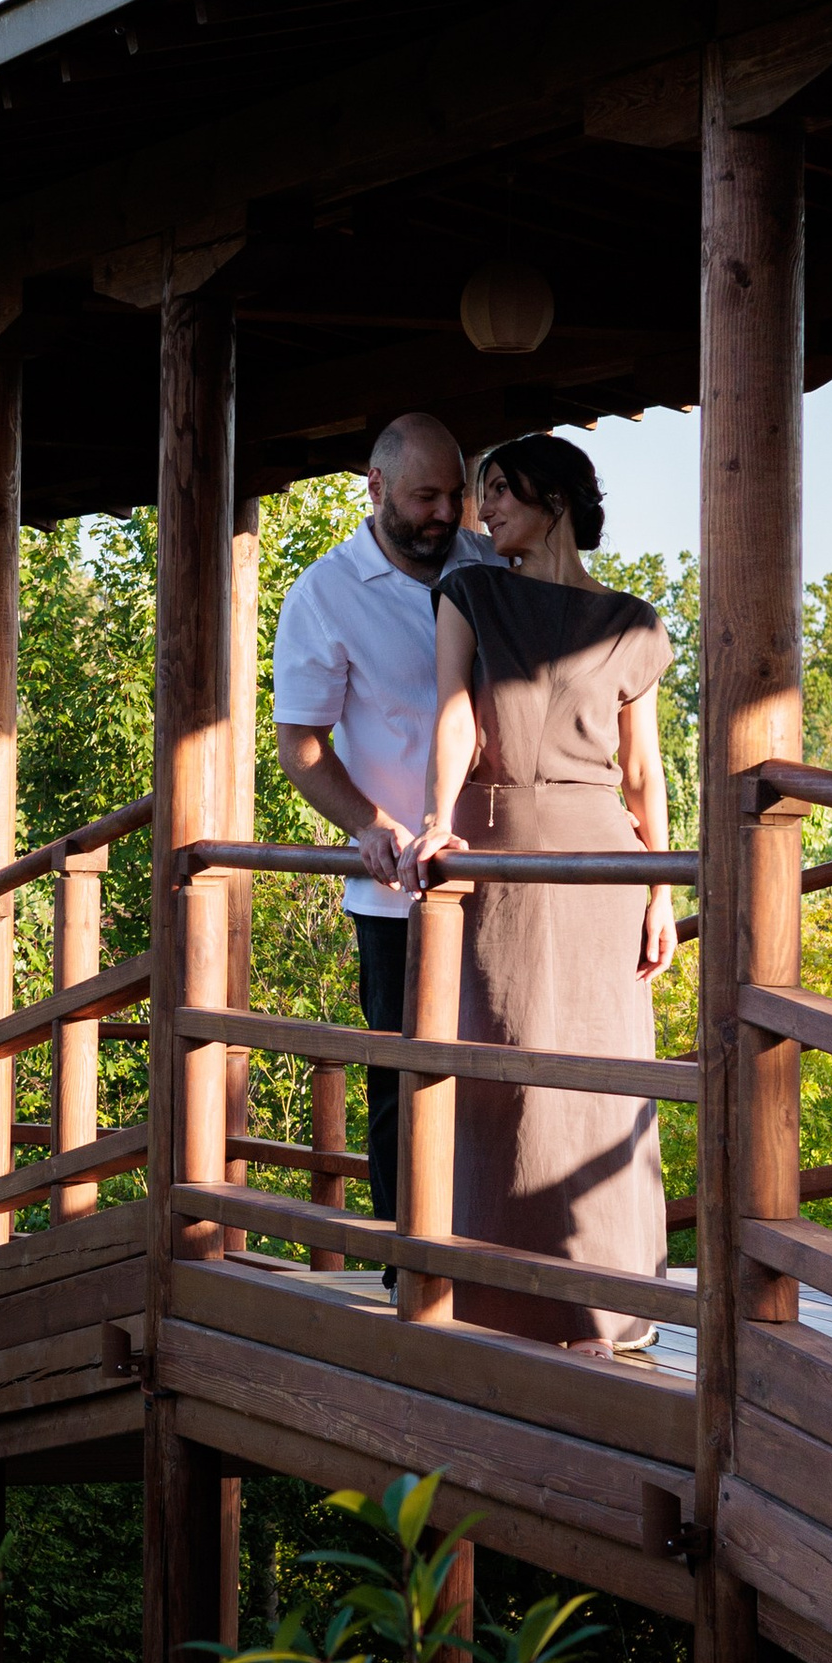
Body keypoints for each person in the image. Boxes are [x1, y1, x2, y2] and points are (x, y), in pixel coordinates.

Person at [418, 430, 677, 1354]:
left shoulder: (635, 623)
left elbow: (644, 771)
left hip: (605, 860)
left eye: (500, 493)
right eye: (482, 495)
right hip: (496, 850)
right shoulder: (469, 590)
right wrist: (436, 818)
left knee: (602, 1080)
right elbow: (453, 712)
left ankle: (610, 1303)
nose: (481, 512)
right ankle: (491, 1290)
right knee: (502, 1065)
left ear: (554, 502)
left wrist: (659, 888)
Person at [270, 413, 498, 1235]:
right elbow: (299, 744)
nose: (447, 513)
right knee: (404, 1085)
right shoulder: (323, 595)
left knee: (506, 1078)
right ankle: (412, 1268)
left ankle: (495, 1259)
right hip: (400, 891)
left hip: (509, 874)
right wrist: (367, 825)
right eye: (426, 496)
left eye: (456, 495)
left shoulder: (490, 560)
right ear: (375, 489)